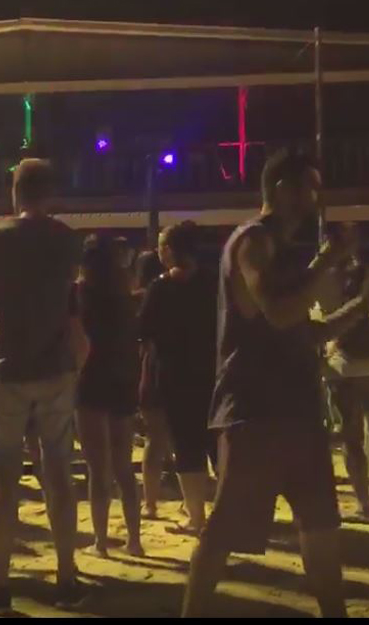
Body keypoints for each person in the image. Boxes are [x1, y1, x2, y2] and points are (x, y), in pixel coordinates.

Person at [184, 152, 369, 618]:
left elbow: (309, 332)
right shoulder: (253, 241)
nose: (315, 199)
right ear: (280, 189)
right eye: (308, 188)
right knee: (225, 530)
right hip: (255, 411)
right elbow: (279, 311)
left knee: (321, 526)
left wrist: (365, 302)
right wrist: (328, 260)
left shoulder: (284, 253)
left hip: (297, 409)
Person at [0, 158, 86, 609]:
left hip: (9, 365)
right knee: (58, 472)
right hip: (55, 365)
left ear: (15, 192)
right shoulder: (66, 238)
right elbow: (69, 295)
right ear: (50, 193)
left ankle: (0, 583)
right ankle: (67, 575)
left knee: (3, 476)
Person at [139, 221, 218, 535]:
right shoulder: (212, 281)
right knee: (217, 444)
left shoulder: (161, 287)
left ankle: (196, 517)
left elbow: (143, 330)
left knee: (186, 446)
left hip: (175, 374)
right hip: (211, 370)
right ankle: (229, 512)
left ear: (170, 250)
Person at [74, 233, 144, 557]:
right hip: (122, 379)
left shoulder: (81, 294)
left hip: (90, 379)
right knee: (123, 465)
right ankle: (134, 540)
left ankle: (101, 542)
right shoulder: (123, 295)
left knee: (97, 468)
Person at [320, 246, 369, 524]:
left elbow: (327, 320)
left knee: (351, 439)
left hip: (344, 365)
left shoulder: (332, 278)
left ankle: (365, 506)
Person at [133, 248, 171, 520]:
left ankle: (150, 502)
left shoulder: (137, 300)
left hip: (150, 371)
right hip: (175, 370)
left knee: (154, 439)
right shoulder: (171, 293)